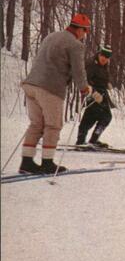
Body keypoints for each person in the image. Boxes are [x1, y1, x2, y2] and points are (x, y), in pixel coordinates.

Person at [19, 14, 91, 175]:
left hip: (31, 84)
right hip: (49, 88)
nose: (85, 34)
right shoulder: (75, 44)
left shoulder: (51, 36)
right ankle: (47, 163)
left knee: (36, 125)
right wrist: (84, 88)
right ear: (79, 29)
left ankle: (26, 162)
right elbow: (78, 71)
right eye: (85, 31)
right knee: (53, 125)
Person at [76, 45, 114, 148]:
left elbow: (101, 77)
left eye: (107, 57)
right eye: (103, 56)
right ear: (99, 54)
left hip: (102, 94)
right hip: (93, 94)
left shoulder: (103, 66)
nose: (104, 59)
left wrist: (107, 83)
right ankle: (89, 140)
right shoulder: (92, 65)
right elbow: (85, 79)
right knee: (103, 116)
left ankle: (85, 139)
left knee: (93, 116)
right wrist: (92, 92)